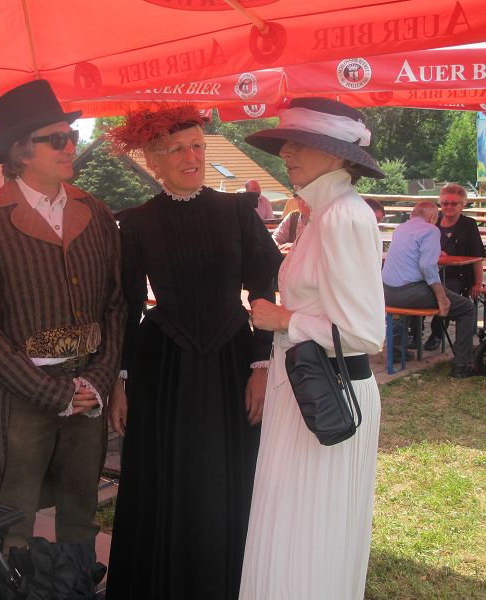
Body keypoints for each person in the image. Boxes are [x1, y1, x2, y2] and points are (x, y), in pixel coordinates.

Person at [104, 105, 282, 599]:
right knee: (170, 477)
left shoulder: (237, 212)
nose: (192, 157)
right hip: (164, 368)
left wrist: (261, 365)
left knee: (226, 475)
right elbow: (127, 306)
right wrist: (120, 381)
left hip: (232, 363)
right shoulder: (136, 223)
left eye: (198, 146)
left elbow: (263, 289)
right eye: (177, 149)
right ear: (153, 160)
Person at [0, 80, 124, 551]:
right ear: (21, 152)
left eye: (71, 136)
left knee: (81, 514)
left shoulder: (97, 213)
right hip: (21, 396)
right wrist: (52, 392)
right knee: (14, 518)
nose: (71, 146)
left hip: (89, 392)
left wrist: (99, 380)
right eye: (57, 139)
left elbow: (115, 305)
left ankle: (77, 580)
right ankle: (12, 584)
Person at [239, 97, 386, 600]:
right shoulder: (323, 214)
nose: (287, 151)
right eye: (287, 142)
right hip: (302, 389)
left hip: (326, 394)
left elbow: (365, 333)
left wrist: (284, 319)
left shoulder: (344, 217)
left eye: (301, 142)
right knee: (293, 528)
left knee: (309, 535)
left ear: (339, 154)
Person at [382, 202, 476, 377]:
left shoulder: (400, 229)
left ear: (412, 214)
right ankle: (462, 364)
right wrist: (441, 297)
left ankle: (396, 352)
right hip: (410, 292)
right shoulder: (431, 230)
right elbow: (427, 266)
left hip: (386, 293)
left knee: (402, 308)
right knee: (467, 307)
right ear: (433, 217)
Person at [425, 182, 485, 351]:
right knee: (416, 288)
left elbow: (477, 256)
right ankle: (414, 333)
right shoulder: (433, 221)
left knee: (446, 292)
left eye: (454, 203)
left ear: (462, 204)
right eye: (445, 203)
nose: (449, 207)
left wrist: (478, 283)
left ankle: (436, 333)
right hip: (432, 272)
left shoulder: (469, 225)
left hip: (460, 275)